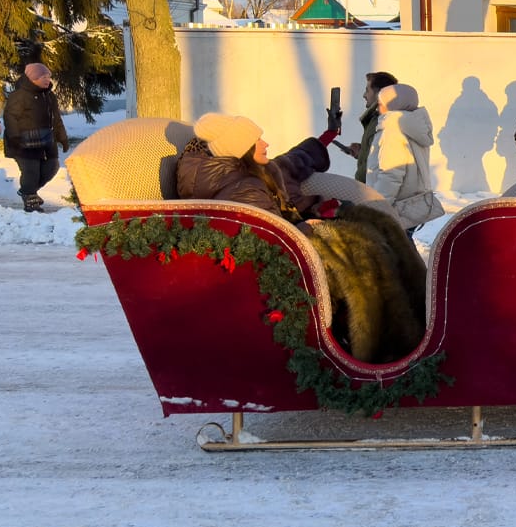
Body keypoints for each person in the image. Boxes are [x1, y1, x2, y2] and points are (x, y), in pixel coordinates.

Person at [175, 112, 426, 364]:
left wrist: (327, 139)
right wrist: (306, 225)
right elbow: (269, 241)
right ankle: (383, 347)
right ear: (242, 149)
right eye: (258, 140)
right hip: (284, 258)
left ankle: (420, 317)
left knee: (376, 223)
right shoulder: (243, 189)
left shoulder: (256, 172)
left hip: (296, 236)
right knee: (365, 251)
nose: (266, 144)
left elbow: (293, 163)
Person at [365, 83, 446, 237]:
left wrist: (378, 208)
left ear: (392, 105)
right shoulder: (412, 126)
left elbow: (391, 174)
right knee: (403, 248)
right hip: (410, 204)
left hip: (396, 206)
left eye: (381, 104)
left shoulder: (392, 129)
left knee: (395, 251)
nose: (377, 108)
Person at [4, 63, 69, 212]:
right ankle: (31, 201)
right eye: (43, 76)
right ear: (33, 78)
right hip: (22, 141)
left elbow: (56, 118)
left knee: (52, 167)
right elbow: (10, 116)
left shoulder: (49, 95)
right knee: (31, 171)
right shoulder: (19, 95)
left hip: (46, 141)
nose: (47, 79)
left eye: (48, 76)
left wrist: (62, 137)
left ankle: (27, 191)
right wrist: (15, 137)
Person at [347, 71, 399, 184]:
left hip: (374, 194)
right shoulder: (377, 119)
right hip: (367, 191)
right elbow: (377, 155)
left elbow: (386, 164)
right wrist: (362, 152)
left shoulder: (387, 122)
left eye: (367, 90)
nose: (364, 95)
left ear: (379, 93)